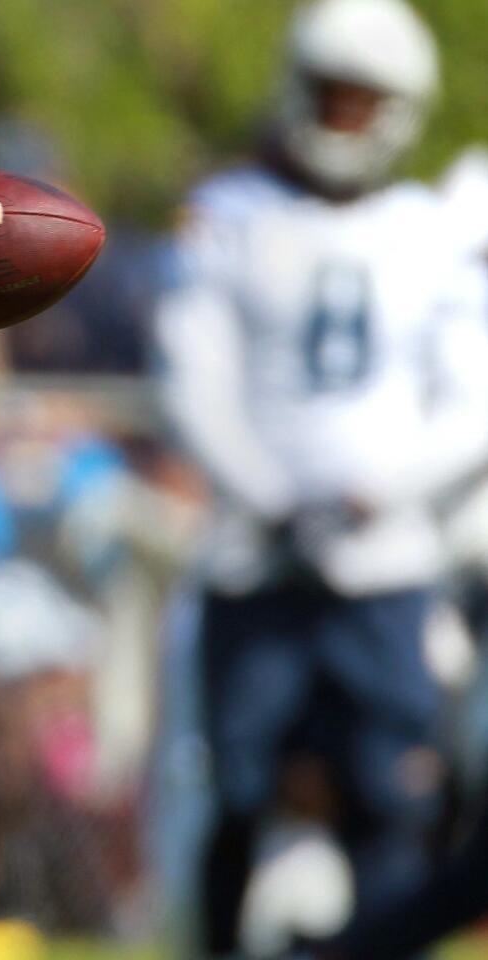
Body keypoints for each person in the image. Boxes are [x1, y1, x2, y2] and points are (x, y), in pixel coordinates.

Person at [152, 0, 488, 956]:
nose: (339, 119)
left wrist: (379, 487)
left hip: (384, 566)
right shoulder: (226, 219)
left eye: (359, 101)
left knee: (390, 794)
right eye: (329, 96)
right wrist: (274, 495)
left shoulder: (427, 233)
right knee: (237, 793)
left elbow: (470, 402)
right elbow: (193, 384)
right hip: (253, 561)